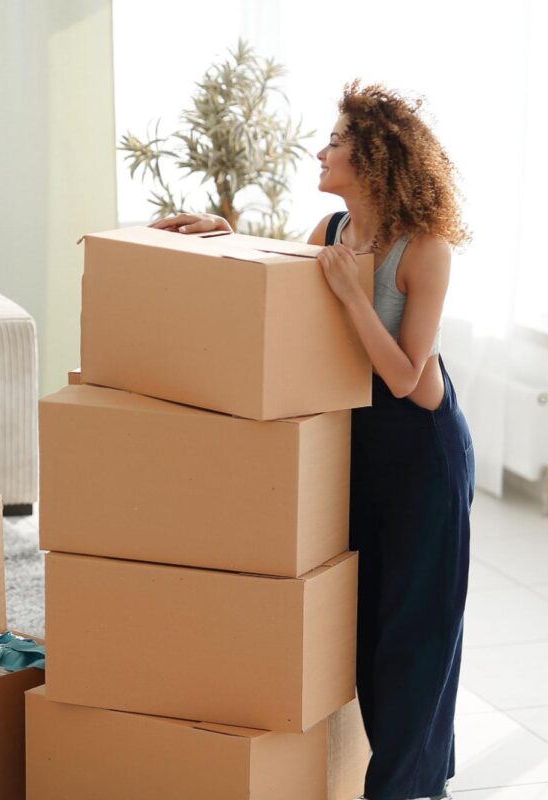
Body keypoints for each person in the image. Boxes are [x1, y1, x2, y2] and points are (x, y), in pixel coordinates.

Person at [154, 81, 474, 800]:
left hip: (423, 449)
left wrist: (355, 297)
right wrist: (223, 232)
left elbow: (401, 375)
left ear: (373, 158)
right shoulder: (332, 231)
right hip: (357, 446)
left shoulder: (425, 249)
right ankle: (419, 775)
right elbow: (290, 292)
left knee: (414, 632)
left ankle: (403, 789)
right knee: (364, 630)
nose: (322, 150)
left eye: (336, 141)